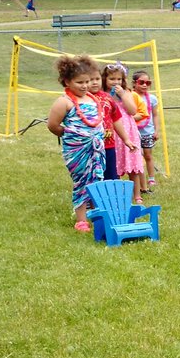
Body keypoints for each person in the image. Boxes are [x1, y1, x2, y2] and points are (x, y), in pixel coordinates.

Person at [45, 55, 134, 232]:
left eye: (87, 81)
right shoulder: (64, 102)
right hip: (77, 150)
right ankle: (81, 219)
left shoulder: (93, 99)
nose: (85, 86)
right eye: (80, 82)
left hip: (97, 148)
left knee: (97, 178)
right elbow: (53, 125)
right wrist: (73, 136)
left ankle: (96, 213)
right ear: (66, 82)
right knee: (81, 181)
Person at [105, 64, 145, 204]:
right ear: (104, 79)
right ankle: (118, 194)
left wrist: (122, 94)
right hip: (113, 132)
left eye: (119, 79)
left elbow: (133, 111)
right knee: (115, 164)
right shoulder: (103, 95)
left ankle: (137, 194)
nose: (116, 82)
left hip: (128, 130)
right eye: (112, 79)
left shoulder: (126, 93)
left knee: (132, 164)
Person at [130, 70, 163, 191]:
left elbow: (155, 115)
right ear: (134, 83)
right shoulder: (130, 97)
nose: (145, 85)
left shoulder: (153, 99)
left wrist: (156, 130)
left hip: (148, 132)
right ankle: (139, 178)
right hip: (134, 131)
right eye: (141, 82)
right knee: (138, 156)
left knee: (148, 155)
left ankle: (151, 178)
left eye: (148, 82)